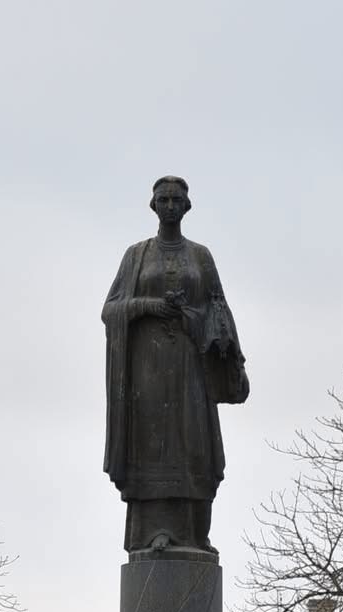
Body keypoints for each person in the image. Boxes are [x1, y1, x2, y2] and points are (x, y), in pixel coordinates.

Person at [100, 174, 249, 553]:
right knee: (152, 448)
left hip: (189, 368)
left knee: (193, 447)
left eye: (175, 200)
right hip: (146, 374)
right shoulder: (137, 255)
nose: (169, 205)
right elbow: (110, 310)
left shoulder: (200, 256)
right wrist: (150, 306)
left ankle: (195, 534)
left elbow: (220, 309)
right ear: (154, 206)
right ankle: (152, 532)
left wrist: (190, 317)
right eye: (163, 199)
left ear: (186, 206)